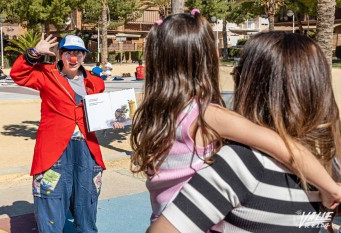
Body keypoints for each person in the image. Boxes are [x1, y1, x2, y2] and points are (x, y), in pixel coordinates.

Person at [130, 11, 341, 229]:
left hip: (165, 215)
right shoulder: (209, 117)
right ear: (208, 59)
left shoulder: (157, 116)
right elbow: (283, 146)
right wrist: (330, 188)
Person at [10, 34, 122, 233]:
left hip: (86, 149)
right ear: (60, 55)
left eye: (78, 53)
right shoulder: (46, 74)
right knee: (51, 199)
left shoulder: (96, 83)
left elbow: (97, 114)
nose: (73, 57)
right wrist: (33, 53)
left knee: (86, 201)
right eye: (68, 52)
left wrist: (112, 121)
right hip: (55, 151)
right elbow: (18, 74)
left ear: (83, 57)